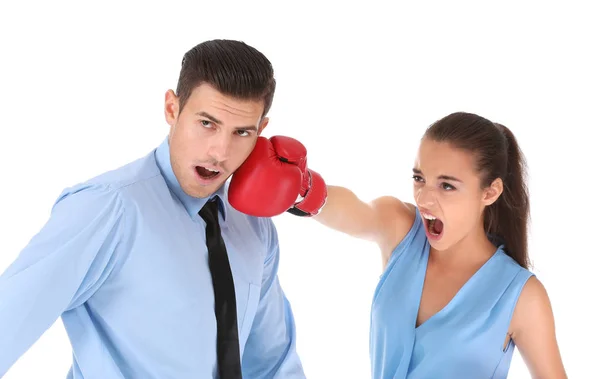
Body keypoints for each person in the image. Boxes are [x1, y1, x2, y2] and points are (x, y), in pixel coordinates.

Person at [0, 39, 314, 378]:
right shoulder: (108, 209)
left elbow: (272, 365)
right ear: (172, 109)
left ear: (261, 132)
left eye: (241, 132)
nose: (220, 151)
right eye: (207, 123)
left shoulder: (254, 226)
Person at [231, 112, 567, 378]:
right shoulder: (402, 231)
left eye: (447, 186)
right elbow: (357, 212)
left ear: (490, 192)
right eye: (419, 178)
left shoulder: (522, 296)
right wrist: (302, 189)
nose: (424, 198)